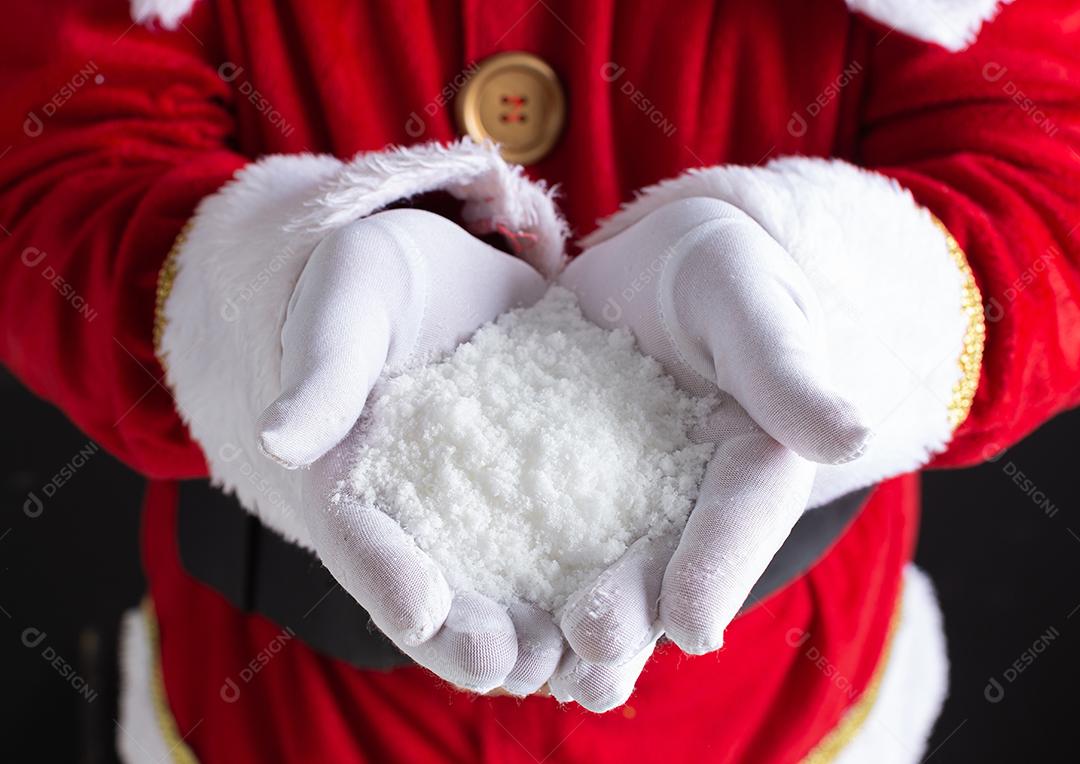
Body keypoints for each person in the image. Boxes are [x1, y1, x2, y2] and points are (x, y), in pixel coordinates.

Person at [2, 1, 1078, 761]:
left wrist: (810, 307)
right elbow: (52, 149)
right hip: (286, 703)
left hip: (768, 701)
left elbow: (1050, 166)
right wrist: (280, 296)